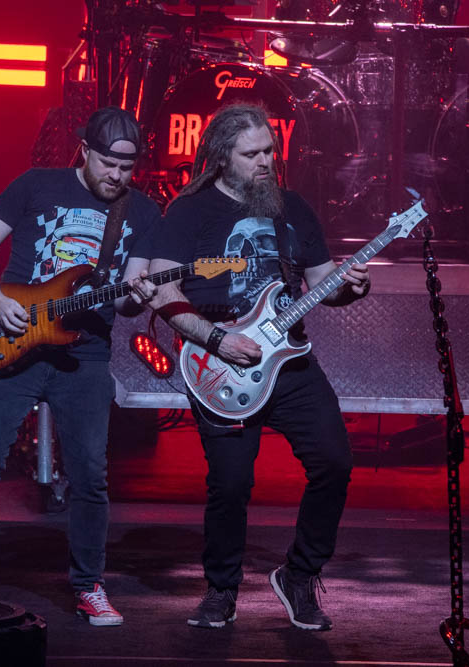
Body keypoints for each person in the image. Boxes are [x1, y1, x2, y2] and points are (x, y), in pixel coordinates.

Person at [146, 104, 370, 631]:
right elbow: (160, 288)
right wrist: (217, 339)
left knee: (334, 462)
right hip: (221, 360)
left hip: (290, 362)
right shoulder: (190, 212)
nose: (266, 161)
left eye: (270, 150)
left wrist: (350, 288)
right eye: (252, 154)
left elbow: (323, 285)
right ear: (222, 158)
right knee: (230, 484)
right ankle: (221, 589)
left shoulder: (293, 209)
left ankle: (299, 574)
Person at [0, 106, 160, 627]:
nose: (117, 176)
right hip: (11, 336)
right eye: (108, 164)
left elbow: (126, 298)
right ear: (84, 151)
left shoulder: (143, 212)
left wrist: (139, 295)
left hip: (84, 353)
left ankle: (89, 586)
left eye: (126, 168)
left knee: (90, 475)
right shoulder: (35, 184)